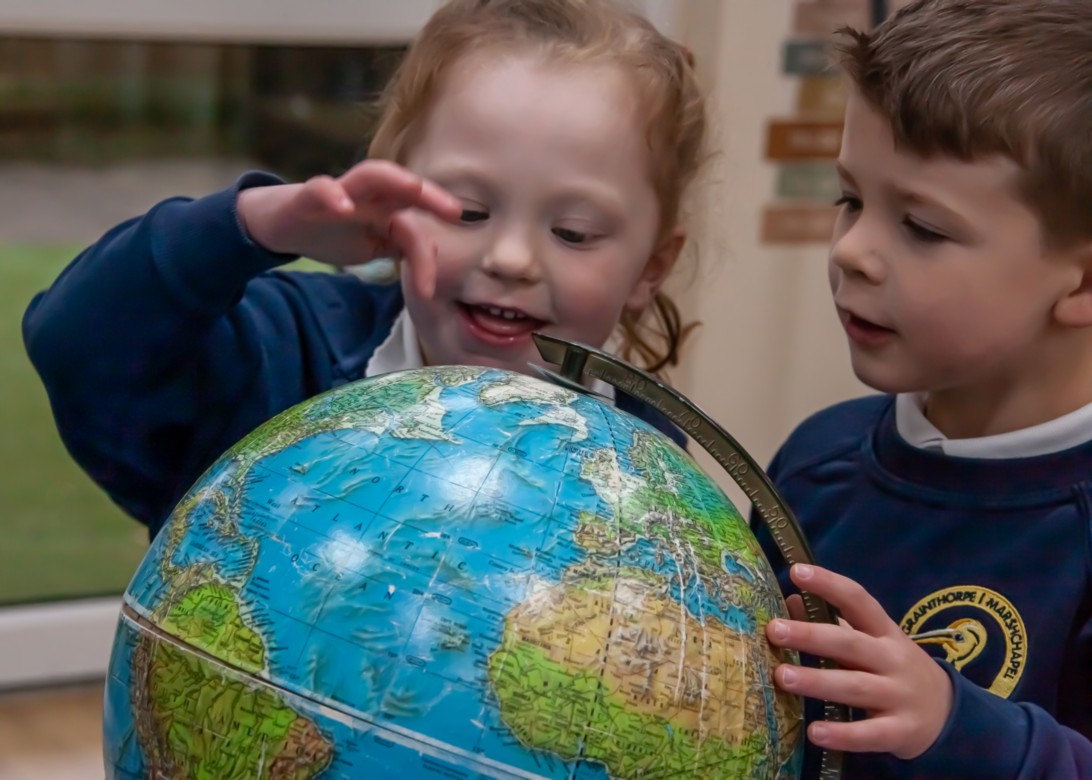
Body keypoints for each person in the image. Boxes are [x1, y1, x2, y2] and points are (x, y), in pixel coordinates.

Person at [22, 0, 707, 540]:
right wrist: (253, 226)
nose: (510, 258)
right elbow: (76, 344)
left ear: (651, 267)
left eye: (572, 232)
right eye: (467, 210)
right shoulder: (282, 362)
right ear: (396, 197)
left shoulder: (653, 467)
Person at [753, 1, 1092, 778]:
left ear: (1082, 283)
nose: (853, 250)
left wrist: (954, 723)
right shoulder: (815, 459)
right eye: (850, 199)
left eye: (923, 228)